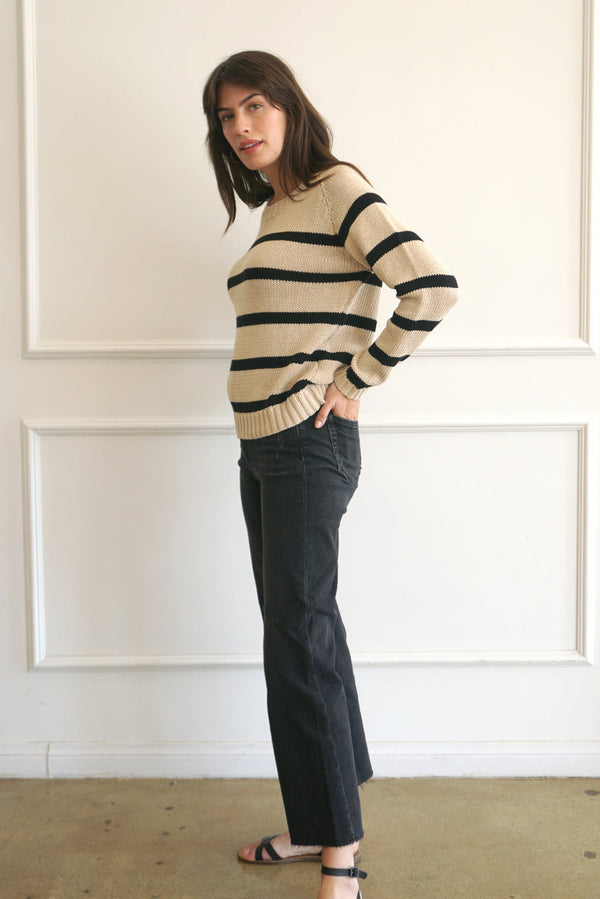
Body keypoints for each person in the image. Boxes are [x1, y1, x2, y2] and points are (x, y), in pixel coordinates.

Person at [202, 50, 459, 899]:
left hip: (308, 446)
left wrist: (356, 380)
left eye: (254, 106)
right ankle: (319, 817)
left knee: (299, 640)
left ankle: (339, 851)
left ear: (289, 106)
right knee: (304, 634)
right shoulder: (278, 209)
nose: (241, 126)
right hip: (264, 446)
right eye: (226, 116)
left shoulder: (338, 188)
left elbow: (430, 286)